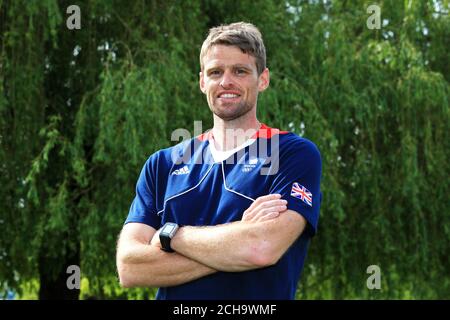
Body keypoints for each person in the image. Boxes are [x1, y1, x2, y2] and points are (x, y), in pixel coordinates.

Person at [116, 22, 322, 300]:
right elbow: (130, 268)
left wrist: (169, 236)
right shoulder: (162, 165)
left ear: (262, 79)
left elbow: (260, 248)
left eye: (240, 71)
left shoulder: (293, 154)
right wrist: (236, 240)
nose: (226, 81)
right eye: (216, 72)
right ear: (203, 82)